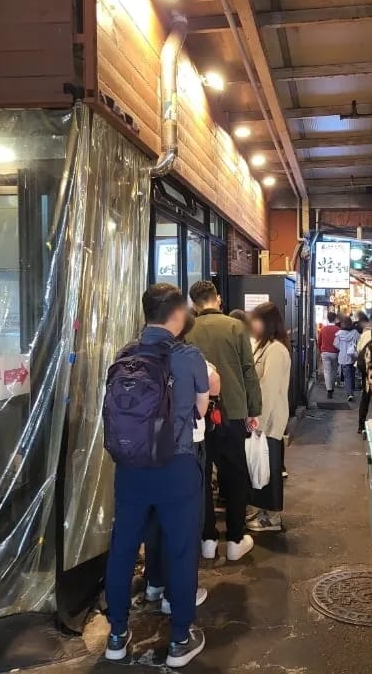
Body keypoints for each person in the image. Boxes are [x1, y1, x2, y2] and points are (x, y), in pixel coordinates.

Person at [104, 284, 209, 667]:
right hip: (175, 467)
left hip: (130, 468)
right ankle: (179, 639)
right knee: (180, 549)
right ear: (178, 314)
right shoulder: (189, 356)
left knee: (123, 548)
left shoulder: (124, 354)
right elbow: (200, 409)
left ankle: (117, 636)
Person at [143, 314, 220, 617]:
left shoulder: (136, 353)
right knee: (184, 523)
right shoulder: (191, 357)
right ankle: (176, 595)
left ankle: (154, 582)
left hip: (146, 450)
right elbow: (209, 394)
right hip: (186, 449)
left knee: (154, 517)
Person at [185, 281, 261, 563]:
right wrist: (254, 409)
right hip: (233, 411)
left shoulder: (188, 329)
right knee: (236, 475)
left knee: (202, 476)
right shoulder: (235, 327)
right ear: (217, 298)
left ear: (194, 303)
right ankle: (235, 540)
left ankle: (207, 539)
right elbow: (248, 371)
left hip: (197, 413)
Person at [245, 302, 291, 533]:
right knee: (261, 465)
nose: (251, 325)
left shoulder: (276, 350)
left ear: (267, 323)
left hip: (270, 420)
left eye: (255, 320)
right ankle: (262, 512)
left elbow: (268, 389)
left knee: (269, 466)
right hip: (263, 418)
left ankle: (272, 518)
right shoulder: (263, 346)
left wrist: (259, 422)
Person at [334, 317, 361, 403]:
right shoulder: (355, 333)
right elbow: (360, 342)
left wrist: (342, 348)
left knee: (347, 376)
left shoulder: (339, 334)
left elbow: (335, 344)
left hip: (343, 357)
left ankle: (350, 393)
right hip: (353, 356)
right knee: (352, 374)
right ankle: (352, 390)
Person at [318, 311, 340, 399]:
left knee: (327, 371)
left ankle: (329, 390)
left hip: (325, 352)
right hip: (335, 352)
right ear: (335, 319)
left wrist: (320, 350)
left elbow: (319, 341)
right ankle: (332, 387)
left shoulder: (323, 329)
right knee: (334, 370)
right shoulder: (338, 329)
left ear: (328, 319)